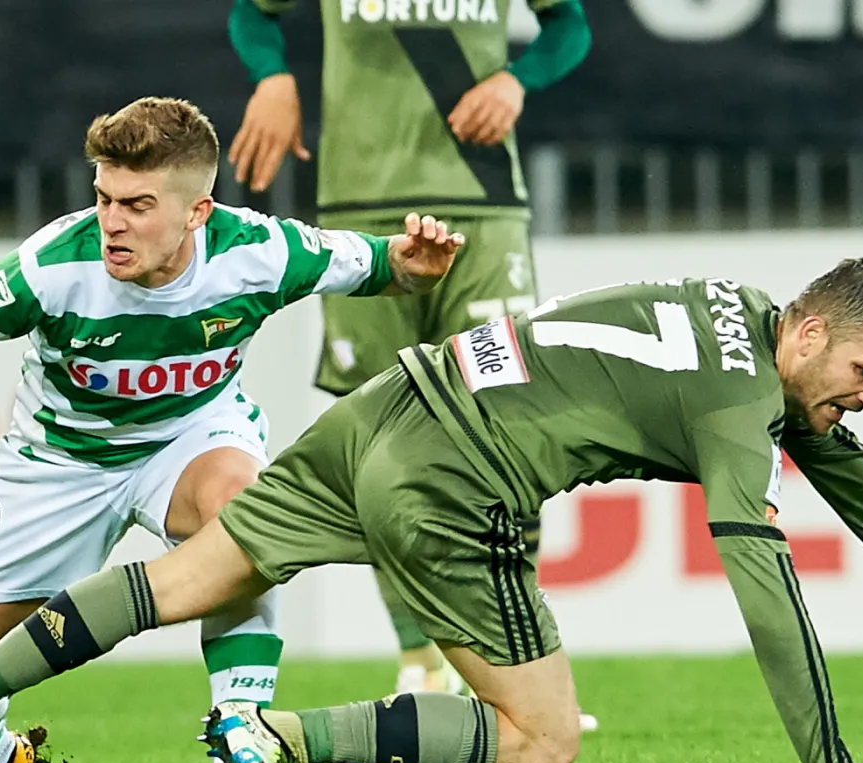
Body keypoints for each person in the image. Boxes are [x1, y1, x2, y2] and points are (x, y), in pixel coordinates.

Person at [0, 259, 863, 763]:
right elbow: (759, 578)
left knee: (185, 577)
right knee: (538, 743)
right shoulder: (736, 404)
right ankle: (279, 739)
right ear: (809, 334)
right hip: (455, 485)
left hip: (386, 408)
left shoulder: (740, 312)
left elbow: (828, 448)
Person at [0, 96, 465, 763]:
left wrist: (423, 265)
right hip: (58, 464)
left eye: (136, 204)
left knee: (241, 511)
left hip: (190, 441)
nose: (112, 221)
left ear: (198, 212)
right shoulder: (53, 268)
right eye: (103, 198)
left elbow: (388, 264)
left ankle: (242, 740)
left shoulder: (261, 252)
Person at [226, 0, 594, 697]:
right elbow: (253, 13)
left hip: (483, 213)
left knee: (514, 425)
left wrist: (516, 81)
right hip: (362, 217)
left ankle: (520, 663)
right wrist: (272, 78)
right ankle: (421, 661)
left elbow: (570, 25)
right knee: (381, 442)